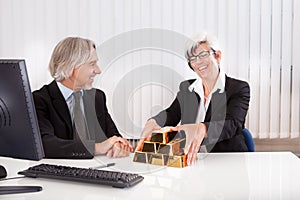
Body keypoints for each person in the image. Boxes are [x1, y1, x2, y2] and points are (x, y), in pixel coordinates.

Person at [136, 32, 250, 165]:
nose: (198, 62)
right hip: (191, 161)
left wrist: (202, 128)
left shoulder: (238, 88)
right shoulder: (187, 88)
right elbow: (171, 113)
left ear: (217, 56)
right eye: (193, 58)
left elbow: (233, 124)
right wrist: (154, 121)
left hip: (227, 161)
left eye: (203, 55)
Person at [33, 37, 132, 159]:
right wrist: (96, 148)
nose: (98, 70)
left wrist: (118, 145)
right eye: (92, 64)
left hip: (96, 171)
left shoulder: (97, 97)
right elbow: (44, 144)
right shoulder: (40, 100)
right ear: (70, 66)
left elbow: (113, 137)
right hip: (59, 173)